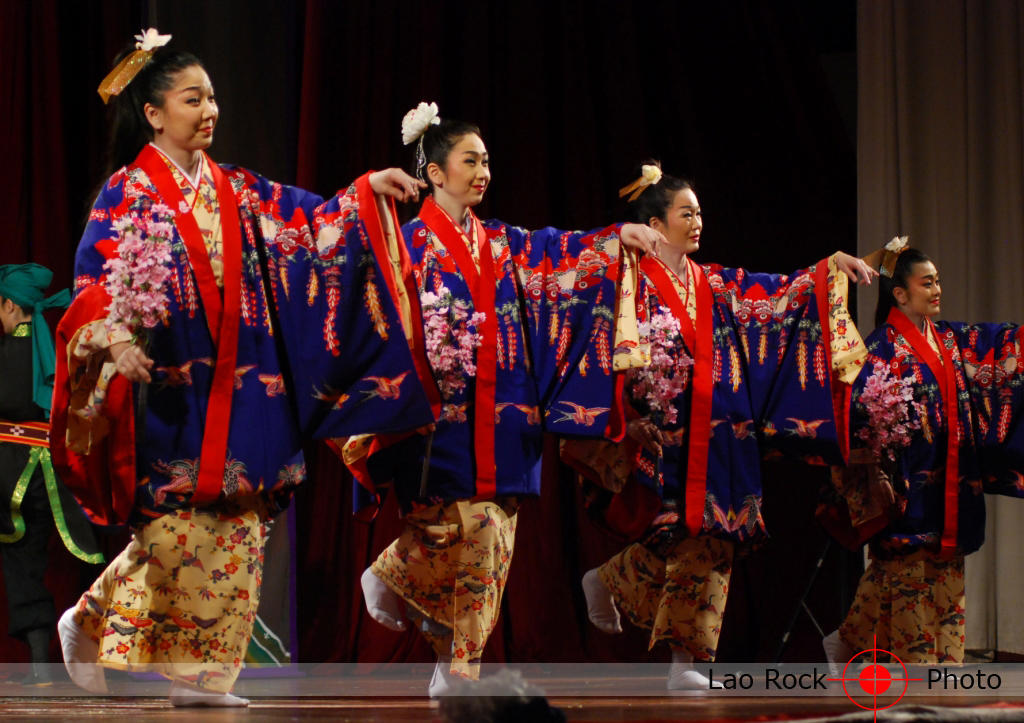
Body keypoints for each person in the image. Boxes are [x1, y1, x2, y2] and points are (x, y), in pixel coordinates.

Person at [52, 30, 434, 706]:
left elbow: (310, 224)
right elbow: (93, 286)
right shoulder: (127, 194)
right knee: (178, 531)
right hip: (175, 388)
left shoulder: (238, 189)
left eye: (213, 97)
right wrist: (114, 342)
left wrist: (365, 190)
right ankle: (89, 616)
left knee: (240, 524)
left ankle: (204, 678)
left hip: (249, 381)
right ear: (153, 113)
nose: (209, 110)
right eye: (192, 98)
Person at [348, 103, 662, 696]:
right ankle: (393, 576)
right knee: (454, 530)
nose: (483, 170)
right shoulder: (409, 246)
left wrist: (615, 236)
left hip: (506, 411)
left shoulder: (504, 244)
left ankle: (451, 663)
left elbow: (561, 251)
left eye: (487, 160)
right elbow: (375, 313)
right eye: (471, 160)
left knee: (495, 535)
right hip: (441, 421)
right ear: (436, 174)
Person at [564, 164, 877, 690]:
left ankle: (635, 604)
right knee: (681, 536)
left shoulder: (713, 283)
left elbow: (776, 293)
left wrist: (828, 271)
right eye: (686, 212)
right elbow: (599, 347)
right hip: (663, 434)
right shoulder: (628, 283)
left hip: (721, 434)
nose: (698, 220)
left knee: (714, 536)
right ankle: (674, 648)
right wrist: (630, 416)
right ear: (656, 224)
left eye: (700, 211)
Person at [823, 241, 1024, 669]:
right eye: (927, 282)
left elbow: (999, 345)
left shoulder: (949, 339)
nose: (937, 289)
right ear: (900, 293)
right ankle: (918, 670)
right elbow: (859, 422)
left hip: (951, 480)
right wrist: (875, 472)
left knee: (944, 576)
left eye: (938, 281)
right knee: (906, 577)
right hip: (908, 485)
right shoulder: (880, 351)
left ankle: (930, 663)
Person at [0, 264, 103, 684]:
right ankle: (101, 658)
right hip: (62, 469)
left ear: (9, 305)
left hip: (11, 475)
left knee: (22, 562)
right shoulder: (61, 347)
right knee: (91, 559)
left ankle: (42, 664)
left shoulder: (4, 353)